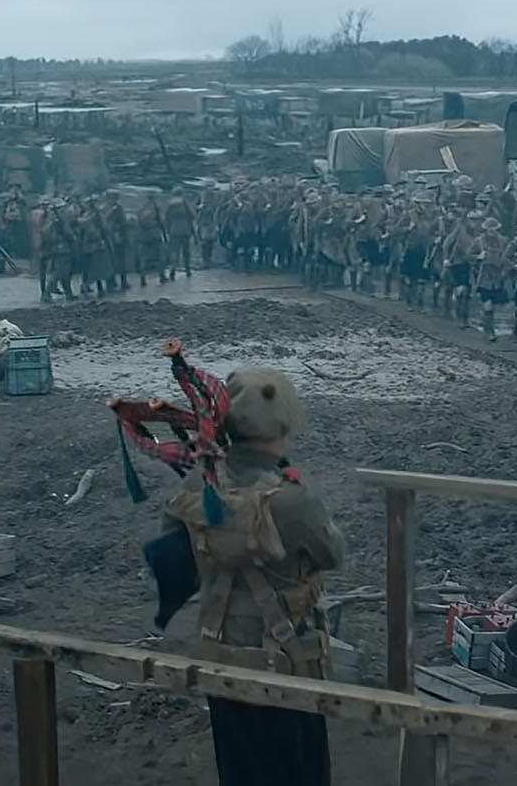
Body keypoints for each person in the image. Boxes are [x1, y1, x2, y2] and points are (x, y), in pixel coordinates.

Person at [158, 367, 345, 786]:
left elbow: (173, 558)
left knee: (241, 769)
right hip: (286, 660)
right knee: (300, 769)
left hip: (221, 653)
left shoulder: (196, 483)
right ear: (285, 421)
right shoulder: (292, 499)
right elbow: (333, 553)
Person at [473, 217, 509, 341]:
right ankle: (489, 331)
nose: (493, 232)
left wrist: (506, 271)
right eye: (490, 230)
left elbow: (509, 258)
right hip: (484, 276)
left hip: (498, 277)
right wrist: (478, 257)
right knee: (488, 305)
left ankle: (487, 325)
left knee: (494, 305)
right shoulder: (479, 241)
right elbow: (469, 255)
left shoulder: (504, 241)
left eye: (495, 230)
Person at [164, 193, 196, 280]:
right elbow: (192, 216)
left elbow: (166, 219)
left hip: (173, 231)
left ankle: (173, 270)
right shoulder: (184, 203)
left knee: (174, 252)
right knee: (186, 252)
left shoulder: (170, 205)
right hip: (185, 231)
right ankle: (188, 270)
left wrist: (167, 231)